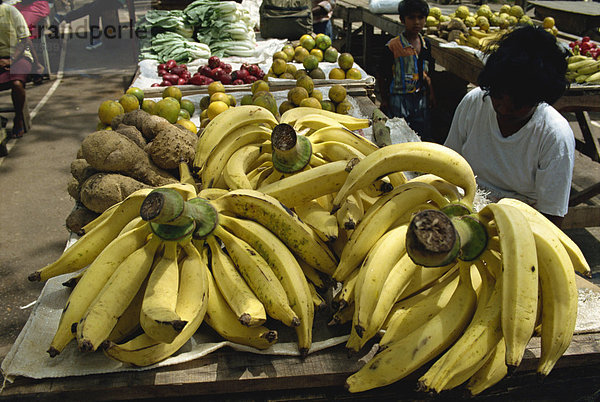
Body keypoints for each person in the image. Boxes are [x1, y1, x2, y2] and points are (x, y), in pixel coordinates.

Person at [444, 25, 573, 227]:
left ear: (538, 99)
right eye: (497, 96)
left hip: (518, 224)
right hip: (463, 208)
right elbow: (447, 164)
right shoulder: (474, 103)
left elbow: (552, 217)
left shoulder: (555, 135)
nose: (503, 109)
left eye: (518, 105)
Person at [377, 0, 435, 140]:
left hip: (420, 98)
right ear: (402, 20)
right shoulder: (392, 46)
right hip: (398, 98)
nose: (416, 22)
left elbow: (429, 73)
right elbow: (381, 74)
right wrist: (384, 99)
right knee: (399, 132)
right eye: (411, 18)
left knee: (421, 131)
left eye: (420, 18)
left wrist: (431, 93)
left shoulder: (426, 44)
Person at [0, 0, 34, 138]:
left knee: (17, 84)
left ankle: (18, 118)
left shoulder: (10, 11)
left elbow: (25, 40)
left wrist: (11, 59)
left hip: (19, 57)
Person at [54, 0, 126, 50]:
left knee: (91, 8)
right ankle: (95, 38)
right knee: (91, 9)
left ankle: (64, 18)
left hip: (114, 2)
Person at [13, 0, 50, 84]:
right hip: (20, 5)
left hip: (35, 5)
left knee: (21, 30)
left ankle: (36, 66)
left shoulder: (39, 6)